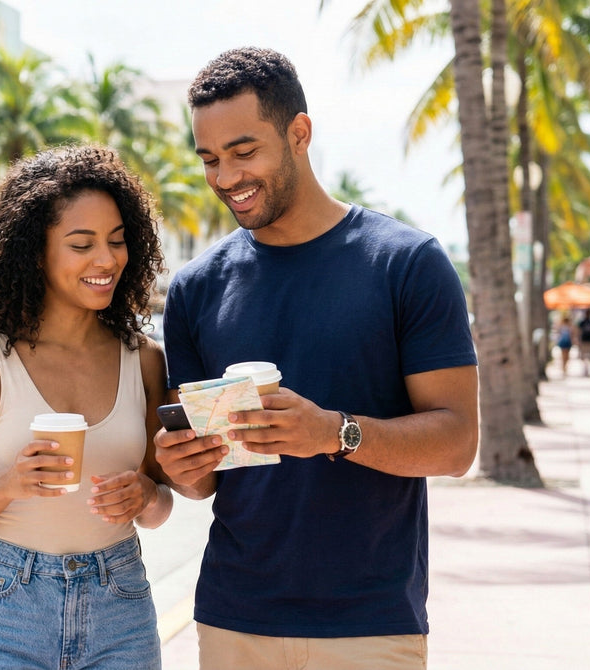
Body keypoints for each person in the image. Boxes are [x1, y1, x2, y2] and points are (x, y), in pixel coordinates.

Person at [155, 47, 479, 669]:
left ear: (299, 133)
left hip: (370, 622)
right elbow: (202, 482)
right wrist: (181, 464)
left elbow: (457, 442)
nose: (225, 177)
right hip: (233, 618)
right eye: (210, 159)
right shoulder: (195, 289)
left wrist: (333, 432)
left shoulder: (406, 264)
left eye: (244, 152)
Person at [0, 144, 174, 670]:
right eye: (81, 244)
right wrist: (10, 484)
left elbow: (161, 506)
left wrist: (145, 496)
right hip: (7, 607)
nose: (106, 260)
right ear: (34, 252)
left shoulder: (145, 360)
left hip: (121, 602)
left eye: (116, 241)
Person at [576, 311, 590, 376]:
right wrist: (578, 340)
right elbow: (579, 331)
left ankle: (588, 369)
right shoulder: (582, 322)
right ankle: (585, 368)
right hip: (584, 341)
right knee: (583, 356)